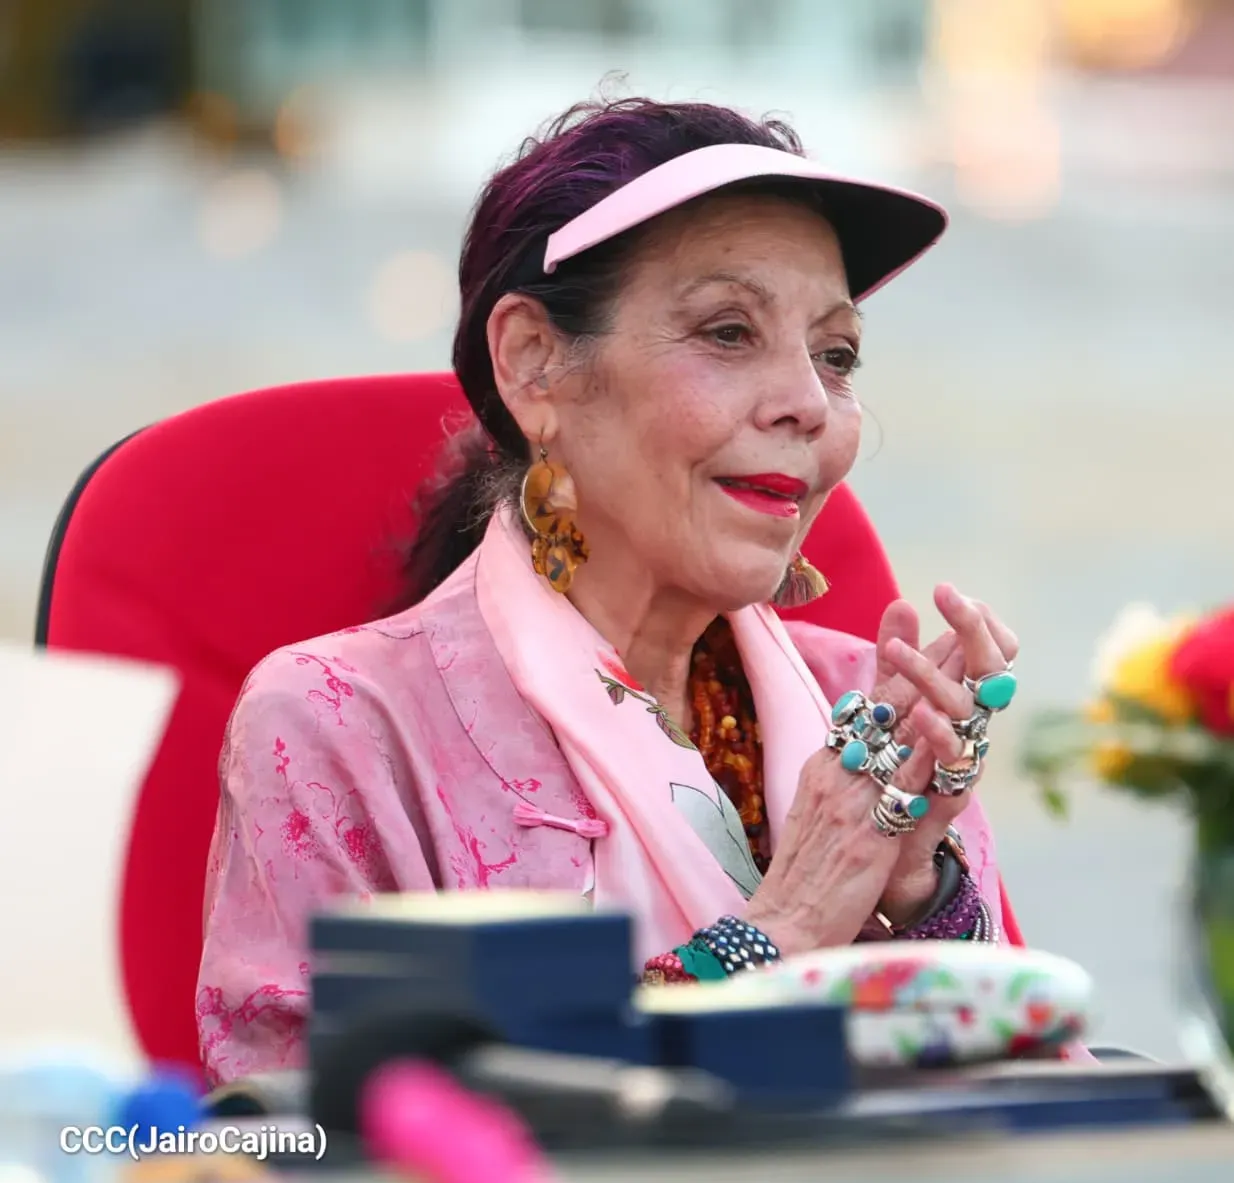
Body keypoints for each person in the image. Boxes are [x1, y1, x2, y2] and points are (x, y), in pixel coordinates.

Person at [196, 96, 1022, 1085]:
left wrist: (916, 899)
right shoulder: (342, 725)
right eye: (727, 332)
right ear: (534, 364)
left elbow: (1006, 1130)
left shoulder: (874, 718)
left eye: (835, 353)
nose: (809, 400)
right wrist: (785, 929)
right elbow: (313, 1155)